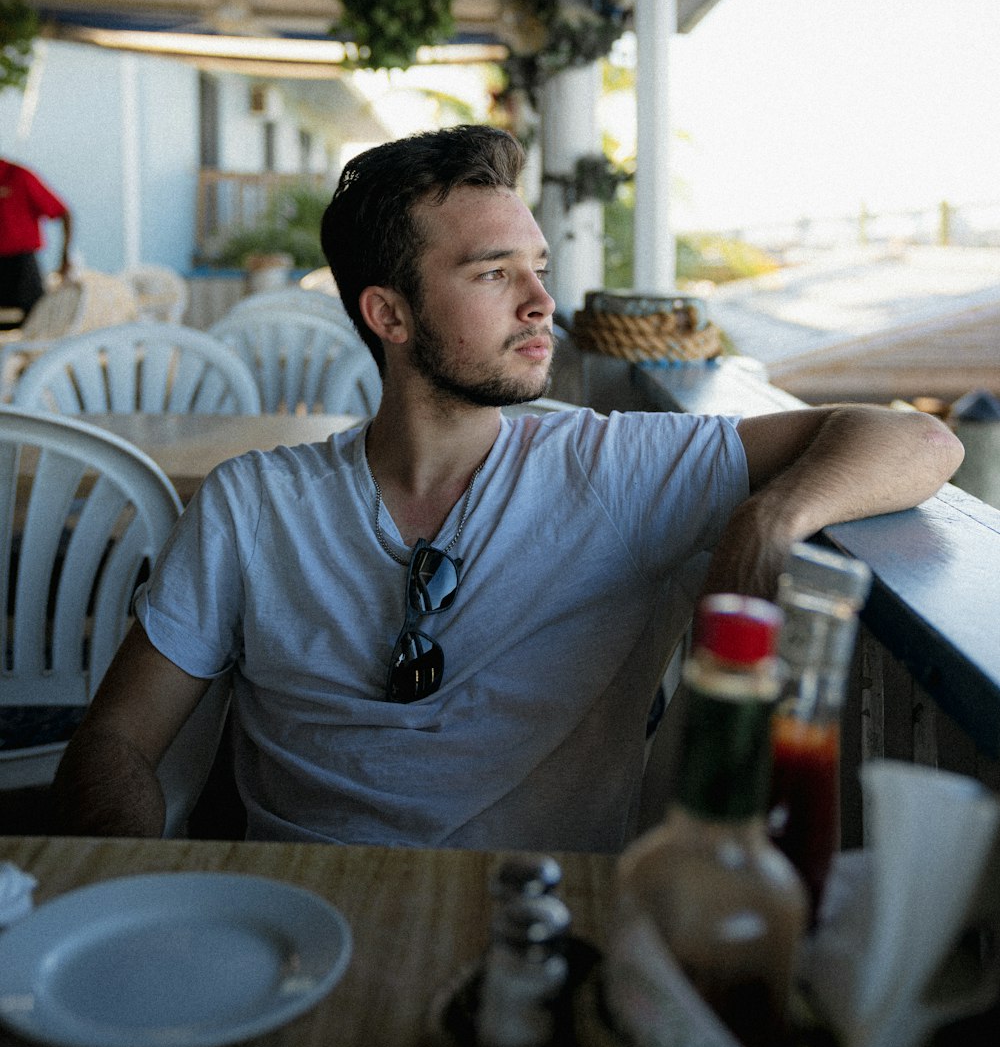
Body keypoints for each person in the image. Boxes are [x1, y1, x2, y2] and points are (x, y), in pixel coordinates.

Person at [51, 126, 962, 849]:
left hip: (530, 926)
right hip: (291, 914)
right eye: (494, 274)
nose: (541, 303)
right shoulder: (253, 505)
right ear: (389, 314)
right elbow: (115, 742)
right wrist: (130, 871)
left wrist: (774, 517)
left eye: (539, 270)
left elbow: (915, 437)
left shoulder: (609, 469)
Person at [0, 157, 73, 320]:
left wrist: (64, 257)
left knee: (35, 319)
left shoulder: (18, 175)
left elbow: (63, 213)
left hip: (21, 266)